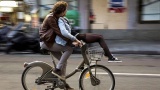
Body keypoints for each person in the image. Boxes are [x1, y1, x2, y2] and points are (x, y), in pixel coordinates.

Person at [39, 1, 81, 90]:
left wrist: (76, 37)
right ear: (62, 10)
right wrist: (72, 42)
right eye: (65, 10)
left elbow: (66, 31)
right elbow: (59, 32)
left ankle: (63, 83)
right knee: (69, 49)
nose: (66, 12)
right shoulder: (51, 18)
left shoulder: (57, 17)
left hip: (50, 42)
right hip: (46, 42)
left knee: (64, 61)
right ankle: (57, 70)